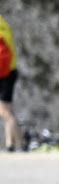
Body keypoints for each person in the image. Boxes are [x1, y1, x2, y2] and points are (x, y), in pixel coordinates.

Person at [0, 14, 23, 152]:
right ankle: (10, 143)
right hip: (9, 71)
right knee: (8, 109)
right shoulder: (4, 26)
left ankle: (20, 142)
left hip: (3, 73)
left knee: (4, 111)